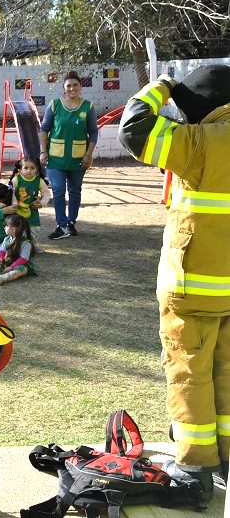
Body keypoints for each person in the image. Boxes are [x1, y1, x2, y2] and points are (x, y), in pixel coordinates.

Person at [117, 65, 230, 498]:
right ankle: (224, 457)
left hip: (192, 289)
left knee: (189, 375)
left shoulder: (198, 142)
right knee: (225, 373)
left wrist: (159, 87)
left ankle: (194, 468)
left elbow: (134, 128)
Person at [38, 70, 99, 240]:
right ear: (64, 88)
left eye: (75, 85)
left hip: (79, 158)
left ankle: (71, 223)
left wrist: (88, 154)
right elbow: (44, 129)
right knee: (58, 190)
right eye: (69, 85)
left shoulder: (88, 107)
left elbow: (93, 132)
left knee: (75, 191)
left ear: (80, 87)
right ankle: (61, 225)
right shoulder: (55, 105)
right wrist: (43, 150)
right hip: (55, 158)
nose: (72, 88)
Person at [0, 214, 37, 286]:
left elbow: (24, 259)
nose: (4, 228)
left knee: (20, 270)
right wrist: (0, 259)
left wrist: (12, 267)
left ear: (13, 229)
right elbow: (2, 251)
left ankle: (2, 278)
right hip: (6, 263)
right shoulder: (7, 239)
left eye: (6, 226)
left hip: (18, 265)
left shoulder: (26, 243)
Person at [9, 156, 51, 244]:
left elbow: (46, 194)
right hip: (17, 211)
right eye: (26, 168)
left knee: (34, 228)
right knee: (17, 228)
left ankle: (32, 245)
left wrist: (41, 203)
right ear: (20, 170)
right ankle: (16, 245)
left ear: (36, 169)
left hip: (32, 211)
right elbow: (10, 192)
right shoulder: (16, 180)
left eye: (32, 168)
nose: (29, 171)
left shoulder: (39, 181)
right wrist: (14, 203)